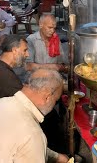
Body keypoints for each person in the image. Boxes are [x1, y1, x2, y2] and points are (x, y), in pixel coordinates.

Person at [0, 69, 69, 163]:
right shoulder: (32, 133)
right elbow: (30, 142)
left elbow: (23, 146)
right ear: (47, 97)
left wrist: (57, 157)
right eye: (56, 100)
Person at [24, 14, 68, 153]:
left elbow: (63, 63)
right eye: (49, 27)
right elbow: (28, 66)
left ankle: (56, 138)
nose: (52, 31)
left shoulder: (56, 40)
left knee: (53, 117)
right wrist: (52, 67)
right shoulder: (31, 40)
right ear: (41, 25)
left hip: (53, 83)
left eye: (54, 28)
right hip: (37, 85)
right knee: (40, 119)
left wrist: (63, 67)